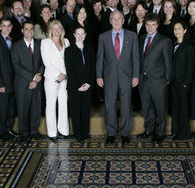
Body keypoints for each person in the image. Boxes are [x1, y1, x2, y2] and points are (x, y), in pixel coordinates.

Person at [96, 11, 140, 145]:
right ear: (110, 21)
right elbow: (100, 58)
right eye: (113, 19)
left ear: (123, 21)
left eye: (119, 19)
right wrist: (98, 76)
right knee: (109, 106)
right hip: (109, 77)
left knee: (126, 105)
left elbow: (136, 58)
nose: (116, 21)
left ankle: (125, 134)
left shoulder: (132, 36)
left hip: (127, 76)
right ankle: (111, 133)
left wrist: (136, 75)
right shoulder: (103, 37)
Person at [137, 13, 173, 145]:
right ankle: (149, 130)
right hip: (144, 80)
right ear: (144, 25)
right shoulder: (140, 39)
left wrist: (167, 80)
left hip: (159, 81)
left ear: (157, 25)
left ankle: (160, 132)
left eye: (153, 25)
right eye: (148, 25)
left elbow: (168, 62)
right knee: (147, 108)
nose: (150, 28)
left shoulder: (165, 41)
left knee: (161, 108)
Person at [11, 21, 44, 142]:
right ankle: (23, 132)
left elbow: (43, 62)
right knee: (22, 108)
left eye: (31, 29)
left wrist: (37, 78)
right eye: (26, 29)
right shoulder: (16, 46)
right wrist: (32, 78)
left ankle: (34, 131)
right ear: (22, 31)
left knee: (36, 107)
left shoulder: (40, 44)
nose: (29, 31)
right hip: (22, 83)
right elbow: (16, 66)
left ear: (34, 31)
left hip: (37, 81)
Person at [40, 20, 70, 141]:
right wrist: (58, 74)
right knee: (51, 105)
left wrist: (65, 74)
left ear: (61, 30)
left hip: (65, 78)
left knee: (63, 103)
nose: (56, 31)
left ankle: (63, 130)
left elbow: (69, 60)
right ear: (50, 30)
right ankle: (52, 132)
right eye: (54, 29)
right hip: (52, 77)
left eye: (59, 28)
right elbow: (46, 61)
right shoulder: (45, 42)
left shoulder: (66, 41)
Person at [0, 17, 17, 141]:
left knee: (10, 108)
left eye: (9, 25)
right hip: (2, 82)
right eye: (4, 25)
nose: (7, 28)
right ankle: (1, 132)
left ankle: (9, 129)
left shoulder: (14, 40)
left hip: (13, 81)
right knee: (1, 108)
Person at [64, 26, 95, 142]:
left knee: (85, 110)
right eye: (78, 34)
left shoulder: (90, 49)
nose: (80, 36)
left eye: (82, 34)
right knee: (76, 110)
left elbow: (93, 68)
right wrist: (79, 85)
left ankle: (85, 133)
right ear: (74, 35)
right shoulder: (69, 50)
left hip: (88, 85)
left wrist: (89, 83)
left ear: (85, 35)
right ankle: (78, 134)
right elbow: (69, 70)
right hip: (74, 86)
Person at [170, 21, 195, 140]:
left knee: (183, 108)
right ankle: (176, 130)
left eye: (179, 28)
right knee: (176, 106)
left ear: (185, 31)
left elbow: (190, 66)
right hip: (174, 81)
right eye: (175, 29)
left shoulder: (188, 46)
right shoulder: (174, 44)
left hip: (183, 83)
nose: (177, 31)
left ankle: (184, 132)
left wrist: (186, 82)